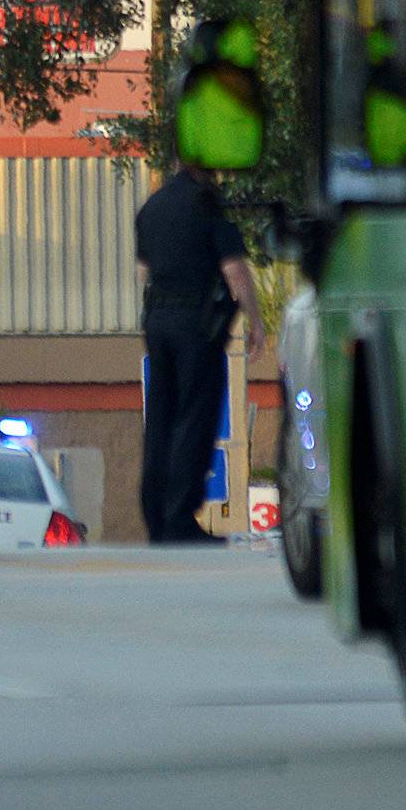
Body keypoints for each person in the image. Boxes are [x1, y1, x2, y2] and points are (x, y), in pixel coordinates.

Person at [135, 163, 265, 545]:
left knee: (160, 419)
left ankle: (156, 516)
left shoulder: (152, 206)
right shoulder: (206, 203)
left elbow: (144, 271)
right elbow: (234, 270)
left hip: (157, 321)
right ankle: (179, 519)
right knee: (195, 417)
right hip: (197, 325)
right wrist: (255, 320)